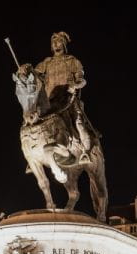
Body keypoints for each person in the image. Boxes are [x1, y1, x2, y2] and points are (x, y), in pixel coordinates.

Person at [20, 31, 96, 162]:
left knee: (78, 123)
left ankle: (85, 152)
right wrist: (25, 71)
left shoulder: (73, 61)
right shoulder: (47, 63)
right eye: (53, 43)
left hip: (68, 100)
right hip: (50, 102)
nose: (56, 44)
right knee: (30, 119)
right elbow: (34, 75)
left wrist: (75, 85)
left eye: (59, 41)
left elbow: (82, 80)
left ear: (64, 44)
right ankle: (32, 156)